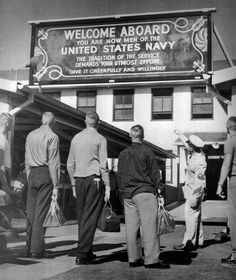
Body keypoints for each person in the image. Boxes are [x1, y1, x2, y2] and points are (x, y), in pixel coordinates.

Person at [117, 124, 170, 269]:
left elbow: (119, 175)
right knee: (149, 227)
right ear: (143, 136)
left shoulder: (123, 153)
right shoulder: (147, 152)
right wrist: (159, 190)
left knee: (131, 228)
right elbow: (154, 174)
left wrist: (122, 193)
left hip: (127, 194)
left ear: (130, 135)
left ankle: (133, 259)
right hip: (144, 192)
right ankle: (152, 260)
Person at [67, 111, 110, 265]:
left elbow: (69, 164)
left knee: (81, 216)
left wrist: (72, 183)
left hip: (79, 179)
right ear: (98, 123)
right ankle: (83, 254)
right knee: (91, 216)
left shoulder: (76, 138)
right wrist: (108, 185)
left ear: (85, 121)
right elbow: (103, 165)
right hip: (94, 179)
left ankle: (87, 249)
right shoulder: (101, 139)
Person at [25, 112, 60, 258]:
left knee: (31, 213)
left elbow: (26, 158)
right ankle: (38, 249)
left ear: (41, 120)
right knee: (41, 214)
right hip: (45, 174)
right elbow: (53, 162)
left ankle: (28, 247)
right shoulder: (53, 137)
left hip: (32, 173)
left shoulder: (30, 135)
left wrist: (29, 176)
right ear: (54, 122)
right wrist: (55, 184)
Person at [173, 131, 206, 251]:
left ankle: (189, 242)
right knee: (195, 215)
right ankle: (199, 240)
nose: (188, 146)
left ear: (193, 146)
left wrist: (196, 196)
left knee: (190, 216)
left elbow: (201, 180)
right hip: (191, 189)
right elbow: (187, 145)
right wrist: (181, 135)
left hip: (195, 191)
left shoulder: (199, 160)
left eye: (189, 145)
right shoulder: (196, 153)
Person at [216, 116, 236, 267]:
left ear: (228, 128)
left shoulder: (230, 141)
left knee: (234, 219)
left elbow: (227, 165)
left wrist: (219, 184)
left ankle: (235, 255)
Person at [0, 112, 13, 194]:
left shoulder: (3, 137)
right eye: (12, 124)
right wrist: (4, 183)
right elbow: (0, 163)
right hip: (2, 174)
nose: (12, 126)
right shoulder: (1, 138)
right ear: (7, 123)